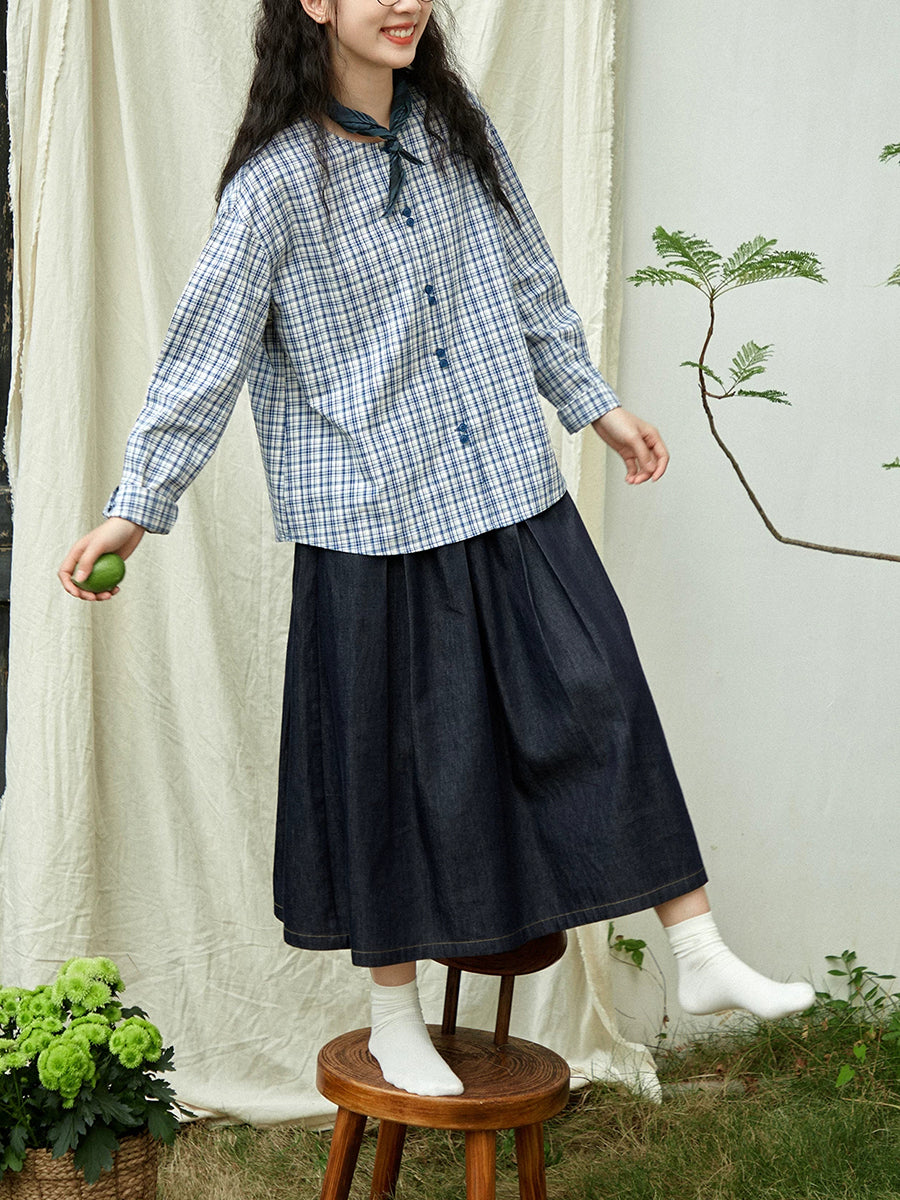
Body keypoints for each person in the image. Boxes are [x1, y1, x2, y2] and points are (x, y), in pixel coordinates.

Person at [58, 0, 815, 1099]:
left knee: (602, 693)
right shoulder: (273, 187)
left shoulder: (458, 129)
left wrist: (595, 405)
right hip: (372, 519)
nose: (404, 2)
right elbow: (202, 357)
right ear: (316, 4)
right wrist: (136, 508)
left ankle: (696, 950)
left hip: (504, 481)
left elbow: (528, 275)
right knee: (392, 775)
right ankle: (393, 1016)